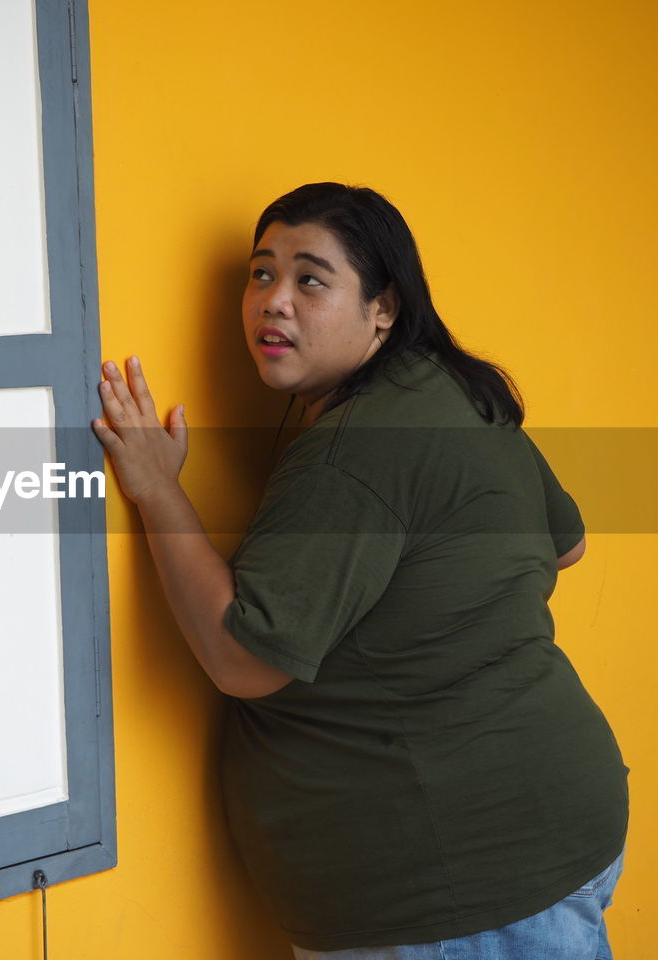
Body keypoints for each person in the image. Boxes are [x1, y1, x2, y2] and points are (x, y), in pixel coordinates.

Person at [89, 181, 630, 959]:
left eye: (311, 279)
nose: (274, 301)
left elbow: (242, 658)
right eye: (261, 272)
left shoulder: (354, 451)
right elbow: (566, 542)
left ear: (383, 308)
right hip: (544, 836)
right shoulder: (450, 391)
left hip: (464, 892)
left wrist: (155, 488)